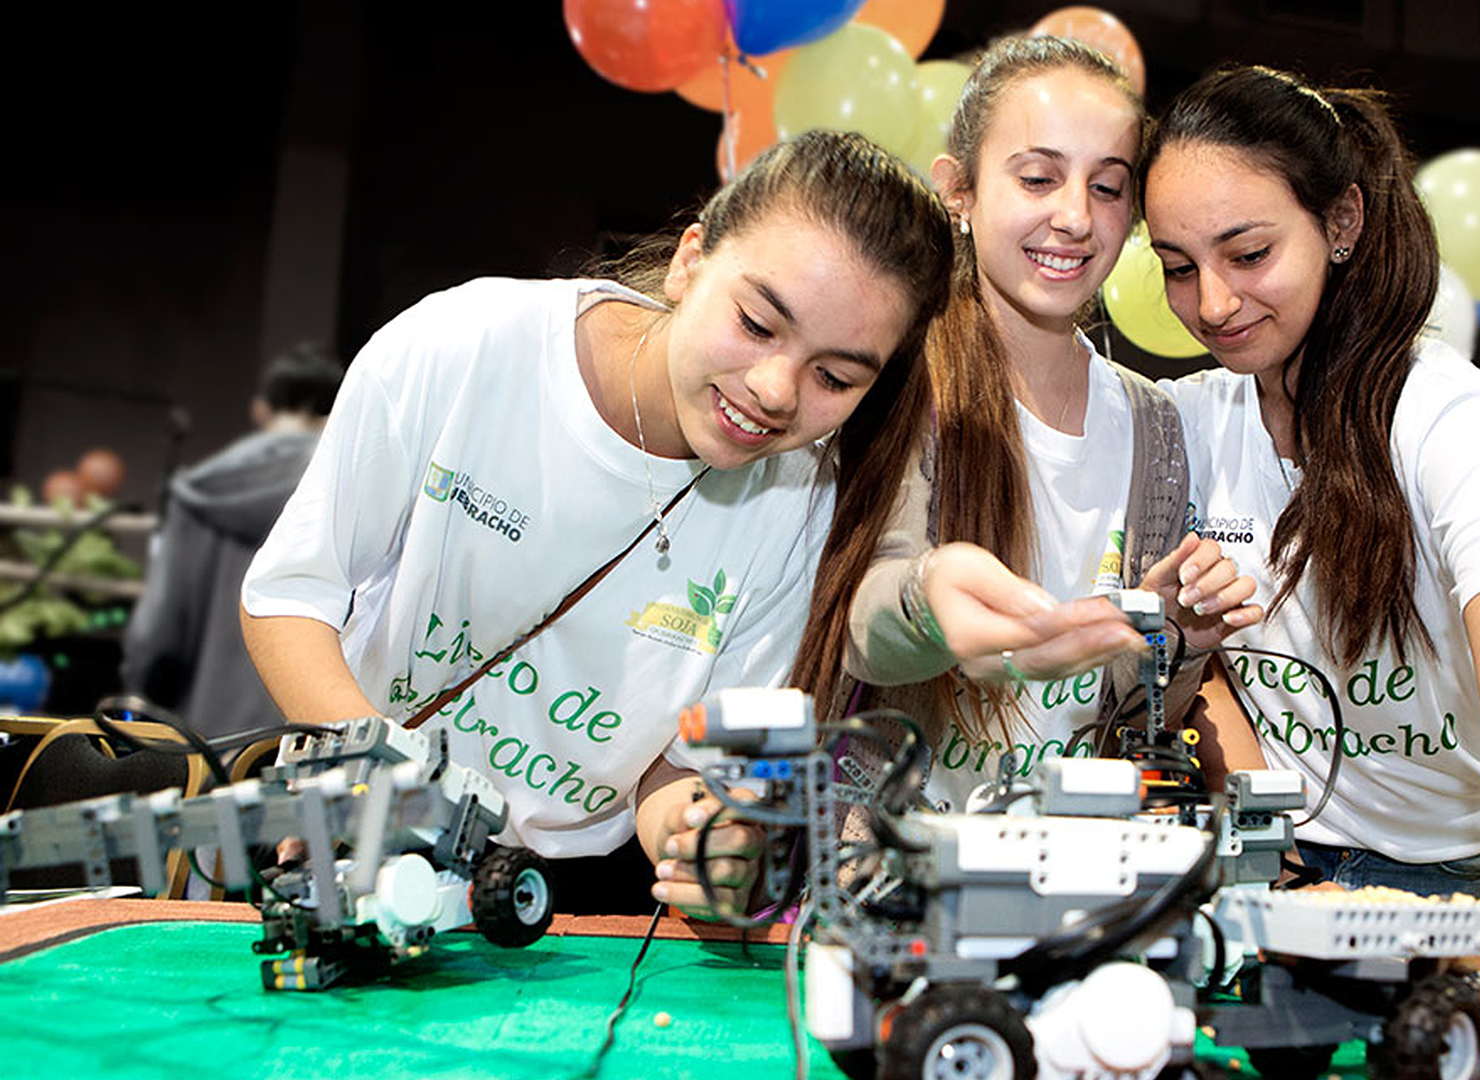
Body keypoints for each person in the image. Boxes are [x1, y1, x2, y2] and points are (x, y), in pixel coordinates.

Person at [240, 130, 953, 917]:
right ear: (691, 260)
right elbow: (292, 597)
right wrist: (367, 777)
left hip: (564, 906)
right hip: (366, 847)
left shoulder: (803, 506)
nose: (776, 390)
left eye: (834, 376)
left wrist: (701, 836)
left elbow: (676, 768)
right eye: (757, 324)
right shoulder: (467, 346)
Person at [1140, 66, 1480, 1080]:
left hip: (1463, 889)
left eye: (1250, 252)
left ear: (1340, 220)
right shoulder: (1184, 427)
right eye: (1176, 265)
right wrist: (1260, 796)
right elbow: (1199, 664)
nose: (1212, 302)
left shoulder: (1447, 416)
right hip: (1286, 881)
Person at [842, 36, 1258, 814]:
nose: (1073, 216)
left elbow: (1139, 728)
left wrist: (1175, 644)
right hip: (895, 869)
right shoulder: (897, 380)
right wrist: (931, 598)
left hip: (1072, 874)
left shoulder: (1153, 426)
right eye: (1038, 177)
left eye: (1108, 188)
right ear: (957, 191)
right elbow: (857, 623)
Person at [121, 344, 344, 741]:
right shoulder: (346, 491)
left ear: (260, 410)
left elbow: (155, 635)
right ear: (338, 412)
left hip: (203, 736)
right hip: (307, 736)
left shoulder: (198, 490)